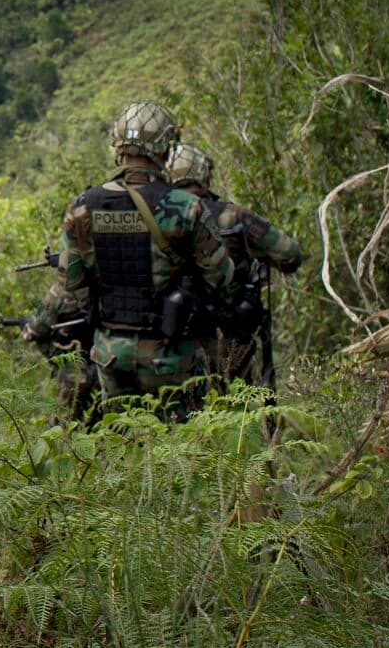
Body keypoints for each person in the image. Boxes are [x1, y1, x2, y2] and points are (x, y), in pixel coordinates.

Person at [27, 101, 232, 420]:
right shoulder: (187, 208)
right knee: (182, 454)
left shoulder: (84, 206)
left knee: (123, 448)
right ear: (166, 149)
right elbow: (221, 279)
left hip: (111, 355)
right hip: (173, 357)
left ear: (118, 146)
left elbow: (70, 284)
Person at [164, 142, 304, 388]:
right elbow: (290, 254)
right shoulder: (233, 216)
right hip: (232, 339)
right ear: (205, 176)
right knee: (238, 414)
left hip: (176, 343)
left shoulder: (158, 218)